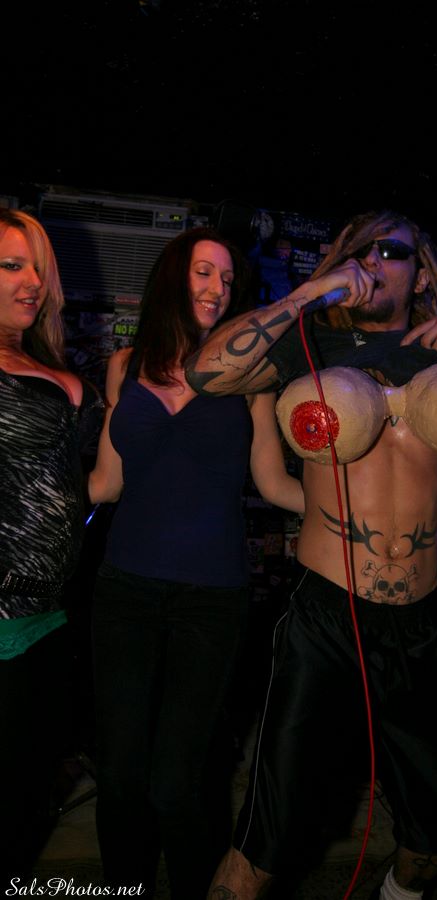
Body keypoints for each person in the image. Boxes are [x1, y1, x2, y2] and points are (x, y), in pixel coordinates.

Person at [185, 209, 437, 900]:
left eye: (392, 252)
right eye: (359, 251)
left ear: (421, 276)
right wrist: (308, 294)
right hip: (326, 619)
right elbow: (206, 373)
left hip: (422, 621)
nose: (374, 262)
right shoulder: (309, 345)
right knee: (263, 845)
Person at [87, 226, 304, 899]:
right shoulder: (125, 366)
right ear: (172, 277)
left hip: (211, 597)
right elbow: (105, 484)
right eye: (204, 272)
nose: (217, 289)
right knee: (119, 777)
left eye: (228, 280)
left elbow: (273, 484)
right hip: (124, 590)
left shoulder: (251, 380)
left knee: (174, 784)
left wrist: (355, 515)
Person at [0, 208, 101, 884]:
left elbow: (94, 485)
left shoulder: (47, 363)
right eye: (12, 265)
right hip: (1, 623)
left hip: (52, 618)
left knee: (30, 801)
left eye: (38, 267)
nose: (33, 281)